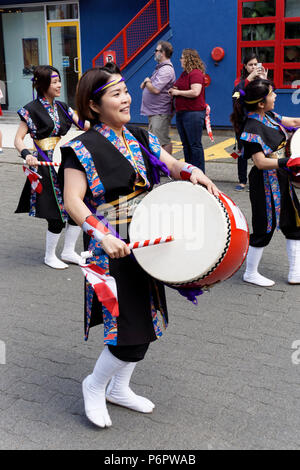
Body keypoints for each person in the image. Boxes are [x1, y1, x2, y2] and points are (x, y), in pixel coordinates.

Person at [60, 63, 219, 428]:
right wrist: (103, 235)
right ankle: (94, 385)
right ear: (94, 105)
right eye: (116, 94)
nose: (127, 98)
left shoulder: (139, 135)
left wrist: (192, 172)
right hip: (112, 249)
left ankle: (119, 388)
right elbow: (73, 201)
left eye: (126, 90)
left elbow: (172, 163)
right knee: (127, 331)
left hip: (148, 245)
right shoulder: (79, 148)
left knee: (147, 325)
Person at [14, 65, 88, 269]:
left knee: (76, 206)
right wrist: (27, 155)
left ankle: (68, 251)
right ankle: (49, 256)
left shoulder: (63, 107)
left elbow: (84, 125)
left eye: (59, 81)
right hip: (43, 165)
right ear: (43, 85)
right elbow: (18, 139)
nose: (59, 85)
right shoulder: (30, 109)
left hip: (63, 162)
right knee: (55, 214)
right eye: (54, 81)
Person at [231, 78, 300, 287]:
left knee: (294, 220)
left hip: (281, 176)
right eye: (272, 94)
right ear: (261, 102)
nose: (276, 96)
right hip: (264, 181)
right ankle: (250, 273)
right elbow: (260, 163)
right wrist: (290, 161)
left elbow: (294, 122)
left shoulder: (269, 116)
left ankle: (295, 272)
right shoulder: (251, 128)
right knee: (264, 226)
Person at [232, 52, 268, 191]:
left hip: (258, 121)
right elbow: (235, 96)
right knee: (242, 151)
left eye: (255, 64)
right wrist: (248, 80)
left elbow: (270, 94)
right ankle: (242, 181)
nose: (253, 67)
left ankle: (260, 179)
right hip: (242, 121)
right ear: (245, 67)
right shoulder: (240, 82)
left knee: (259, 150)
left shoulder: (260, 80)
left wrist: (264, 80)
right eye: (250, 65)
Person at [168, 48, 207, 173]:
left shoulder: (195, 73)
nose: (180, 59)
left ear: (188, 59)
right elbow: (180, 87)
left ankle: (199, 173)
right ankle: (190, 172)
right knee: (186, 145)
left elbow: (195, 92)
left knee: (194, 145)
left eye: (182, 57)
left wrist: (177, 92)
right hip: (182, 113)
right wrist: (174, 89)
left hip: (193, 113)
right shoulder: (184, 73)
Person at [140, 40, 175, 154]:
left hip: (160, 112)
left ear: (163, 52)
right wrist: (147, 83)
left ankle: (166, 168)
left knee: (162, 141)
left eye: (156, 50)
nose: (154, 53)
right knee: (156, 140)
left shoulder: (166, 70)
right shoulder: (160, 68)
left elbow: (155, 89)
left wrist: (146, 81)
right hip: (155, 111)